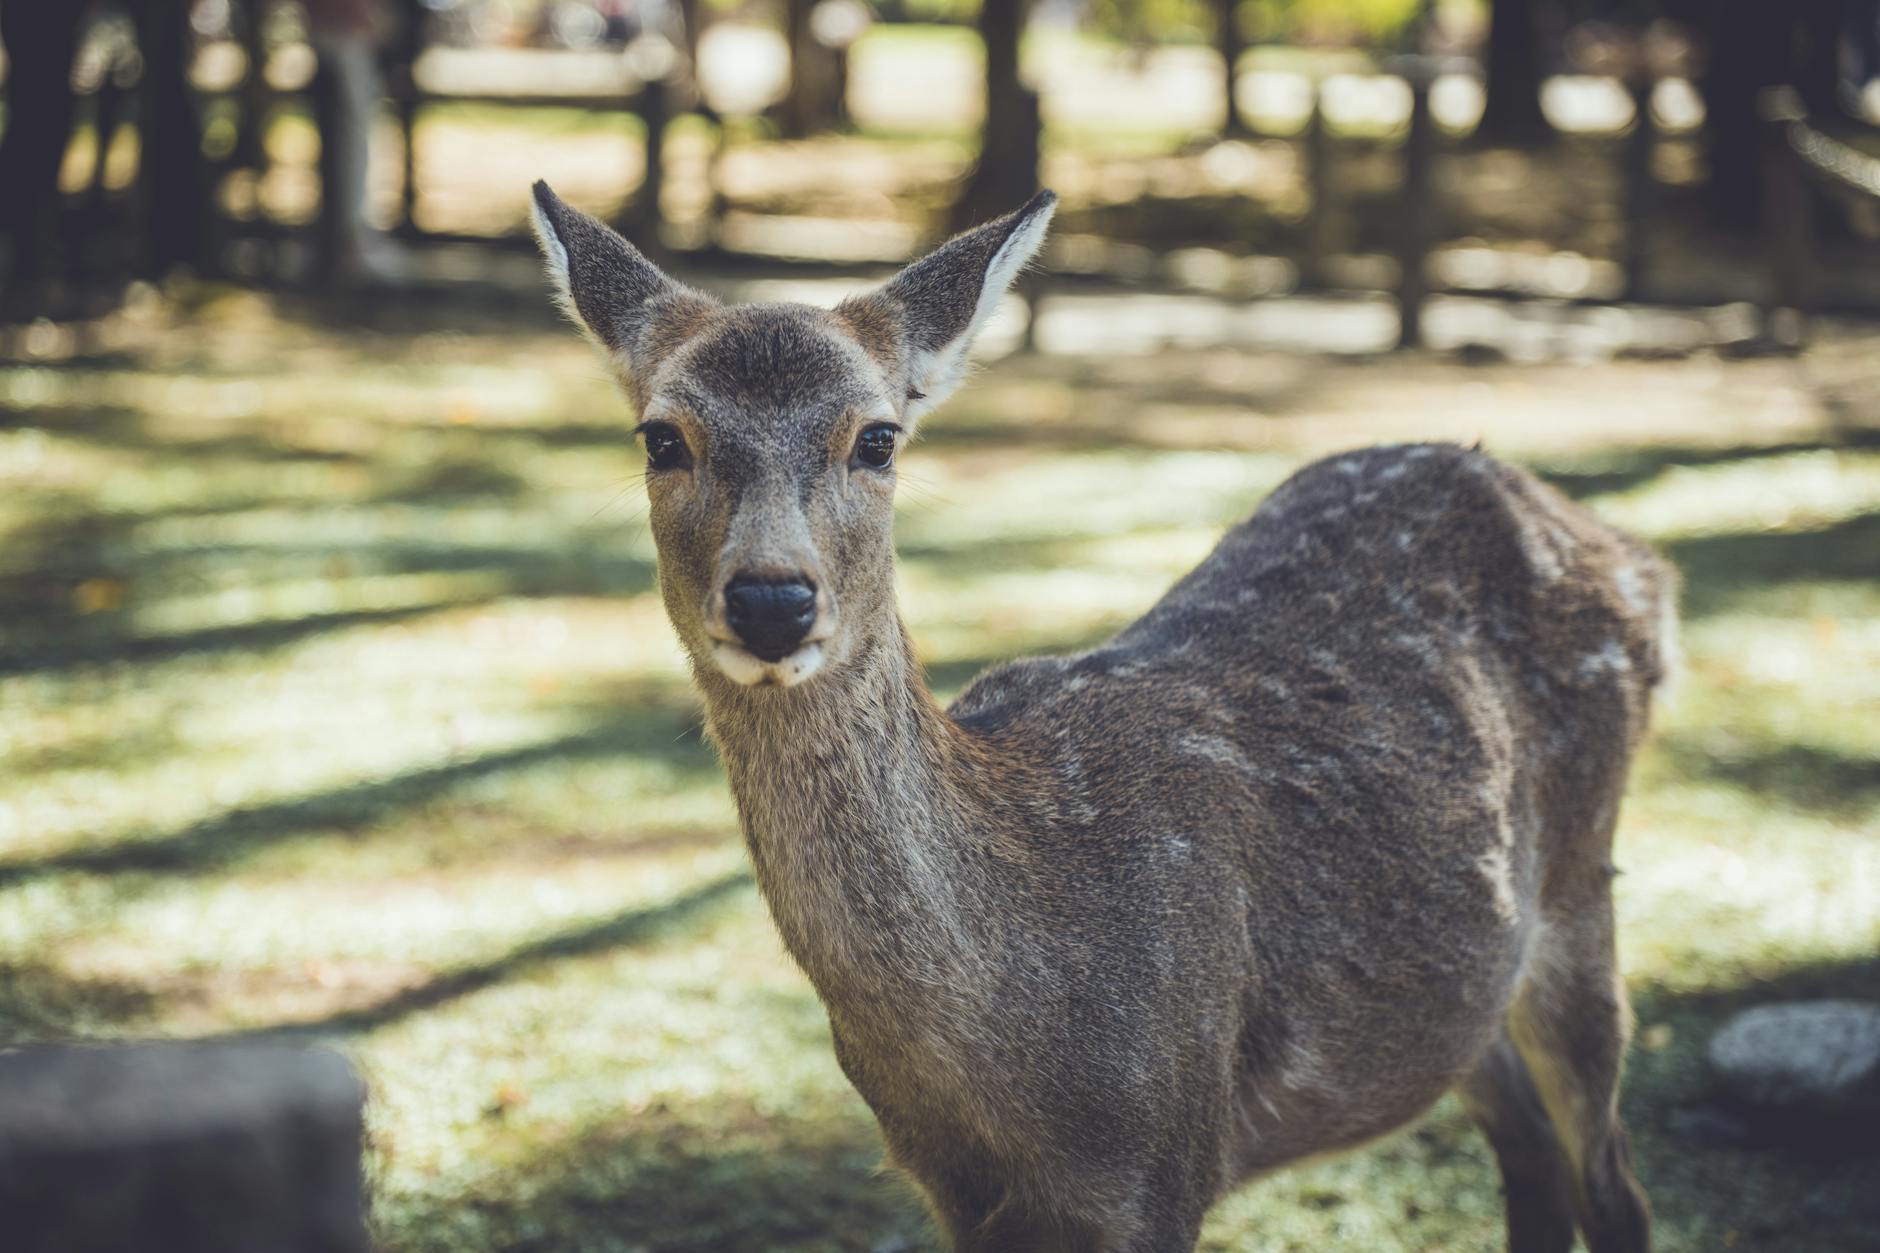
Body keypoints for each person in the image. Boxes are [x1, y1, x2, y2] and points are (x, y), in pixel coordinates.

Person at [305, 0, 406, 282]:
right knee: (348, 144)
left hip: (342, 37)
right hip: (342, 38)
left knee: (350, 142)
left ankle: (348, 238)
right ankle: (350, 241)